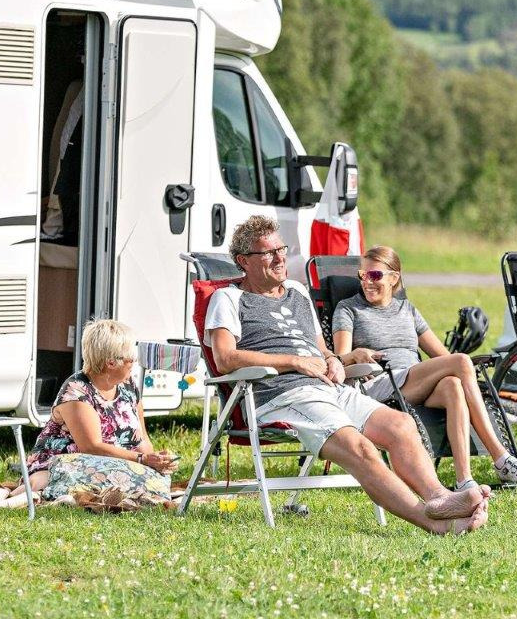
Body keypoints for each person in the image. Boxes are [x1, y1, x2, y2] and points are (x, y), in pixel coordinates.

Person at [204, 216, 490, 534]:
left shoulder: (297, 292)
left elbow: (320, 349)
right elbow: (225, 358)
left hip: (329, 387)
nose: (280, 258)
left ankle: (440, 498)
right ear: (244, 261)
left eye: (281, 249)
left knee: (401, 425)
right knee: (361, 448)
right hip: (283, 395)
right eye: (269, 253)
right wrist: (294, 362)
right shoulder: (227, 299)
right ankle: (435, 523)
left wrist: (333, 360)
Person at [332, 246, 517, 490]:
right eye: (363, 275)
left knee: (453, 385)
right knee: (461, 362)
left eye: (375, 275)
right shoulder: (348, 309)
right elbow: (340, 361)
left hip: (413, 381)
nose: (367, 282)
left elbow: (442, 356)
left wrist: (464, 372)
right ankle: (501, 457)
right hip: (379, 384)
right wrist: (355, 354)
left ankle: (464, 480)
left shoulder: (407, 310)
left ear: (394, 278)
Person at [16, 319, 178, 495]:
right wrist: (142, 459)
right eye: (131, 358)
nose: (134, 363)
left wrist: (155, 461)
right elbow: (92, 447)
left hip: (119, 463)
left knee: (152, 481)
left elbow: (142, 439)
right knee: (113, 477)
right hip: (69, 463)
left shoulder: (128, 385)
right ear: (111, 363)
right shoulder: (77, 391)